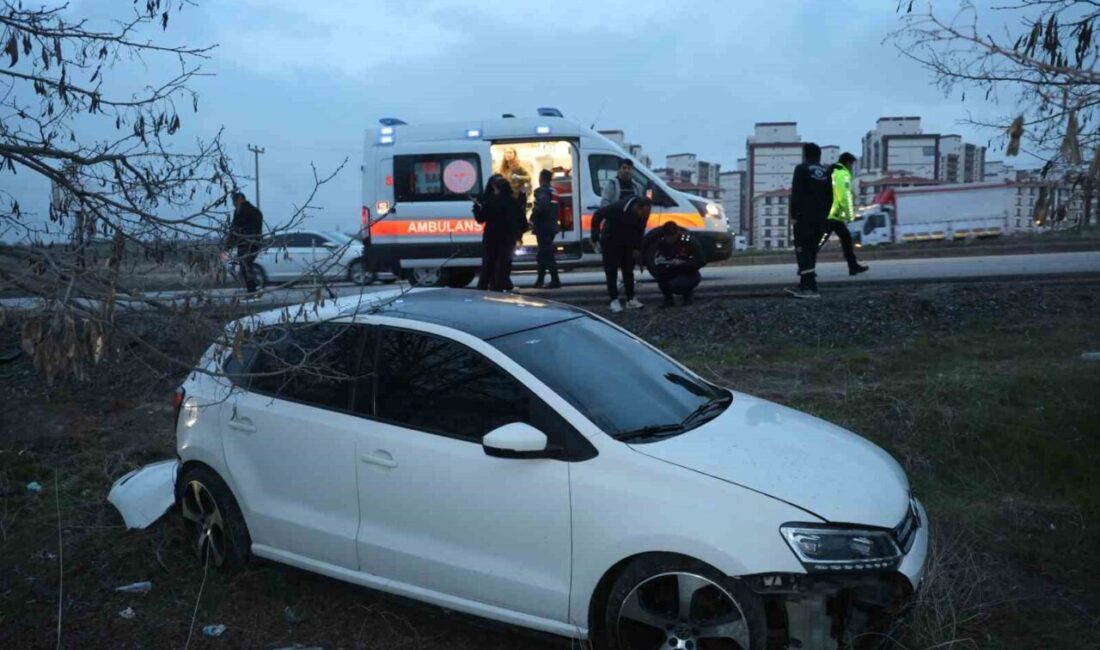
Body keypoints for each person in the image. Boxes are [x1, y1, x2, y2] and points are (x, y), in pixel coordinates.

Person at [785, 143, 834, 299]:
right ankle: (806, 284)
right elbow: (831, 197)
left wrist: (793, 215)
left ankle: (809, 289)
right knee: (811, 252)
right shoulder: (826, 172)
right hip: (822, 219)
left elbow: (796, 193)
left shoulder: (801, 169)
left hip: (804, 218)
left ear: (805, 155)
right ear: (819, 155)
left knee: (802, 251)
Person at [591, 196, 652, 313]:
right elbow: (598, 215)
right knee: (611, 270)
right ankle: (614, 300)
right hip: (610, 239)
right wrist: (595, 235)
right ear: (637, 208)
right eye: (644, 213)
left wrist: (637, 248)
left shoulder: (644, 212)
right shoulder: (618, 208)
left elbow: (640, 230)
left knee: (628, 269)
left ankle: (631, 299)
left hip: (628, 241)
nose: (645, 216)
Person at [473, 175, 521, 292]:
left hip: (492, 236)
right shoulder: (513, 202)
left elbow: (481, 219)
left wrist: (476, 207)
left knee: (489, 263)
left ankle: (483, 288)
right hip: (508, 238)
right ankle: (499, 287)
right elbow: (521, 221)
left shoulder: (491, 202)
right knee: (503, 263)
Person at [826, 152, 869, 278]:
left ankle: (853, 266)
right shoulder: (841, 173)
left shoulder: (833, 171)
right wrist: (850, 214)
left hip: (829, 212)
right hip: (831, 213)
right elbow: (843, 195)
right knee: (841, 238)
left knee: (844, 238)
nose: (852, 168)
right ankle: (806, 266)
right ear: (848, 163)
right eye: (851, 165)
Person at [653, 222, 705, 307]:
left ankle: (687, 296)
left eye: (671, 236)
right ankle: (668, 300)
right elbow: (660, 256)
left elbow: (701, 260)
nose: (669, 239)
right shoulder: (663, 242)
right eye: (667, 237)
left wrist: (684, 263)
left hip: (688, 271)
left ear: (677, 233)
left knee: (678, 283)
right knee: (660, 273)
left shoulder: (688, 240)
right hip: (672, 268)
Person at [227, 191, 263, 297]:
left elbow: (235, 230)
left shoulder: (240, 211)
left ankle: (252, 290)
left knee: (245, 267)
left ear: (239, 200)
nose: (233, 204)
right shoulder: (256, 211)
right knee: (247, 266)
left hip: (245, 244)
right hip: (255, 243)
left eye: (234, 201)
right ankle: (254, 287)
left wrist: (228, 245)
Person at [530, 169, 561, 289]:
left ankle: (555, 280)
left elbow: (541, 208)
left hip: (543, 227)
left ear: (541, 178)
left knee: (546, 254)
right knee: (543, 254)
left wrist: (532, 218)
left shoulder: (543, 192)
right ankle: (540, 281)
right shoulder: (554, 191)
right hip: (551, 226)